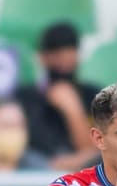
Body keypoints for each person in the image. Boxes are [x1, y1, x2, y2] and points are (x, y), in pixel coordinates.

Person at [13, 21, 101, 170]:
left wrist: (73, 110)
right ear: (42, 56)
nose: (64, 59)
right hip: (34, 172)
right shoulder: (25, 97)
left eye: (70, 51)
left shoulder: (93, 95)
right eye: (56, 52)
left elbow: (98, 149)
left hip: (84, 174)